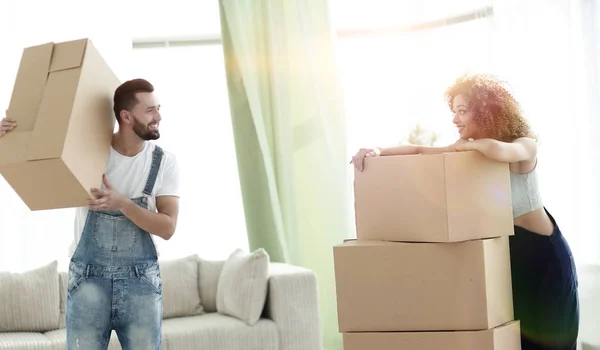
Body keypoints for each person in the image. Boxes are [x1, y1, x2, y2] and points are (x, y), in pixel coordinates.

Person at [351, 73, 579, 350]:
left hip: (544, 254)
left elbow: (500, 150)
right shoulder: (469, 151)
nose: (455, 119)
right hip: (509, 253)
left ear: (486, 112)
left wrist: (466, 146)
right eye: (454, 111)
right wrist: (378, 150)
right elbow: (420, 149)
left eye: (462, 111)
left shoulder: (524, 144)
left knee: (551, 340)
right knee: (516, 341)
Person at [1, 78, 180, 350]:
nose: (159, 116)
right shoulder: (86, 152)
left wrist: (123, 204)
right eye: (150, 110)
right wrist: (8, 137)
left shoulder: (163, 162)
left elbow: (167, 228)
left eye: (158, 108)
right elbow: (36, 165)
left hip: (140, 285)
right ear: (126, 116)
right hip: (88, 282)